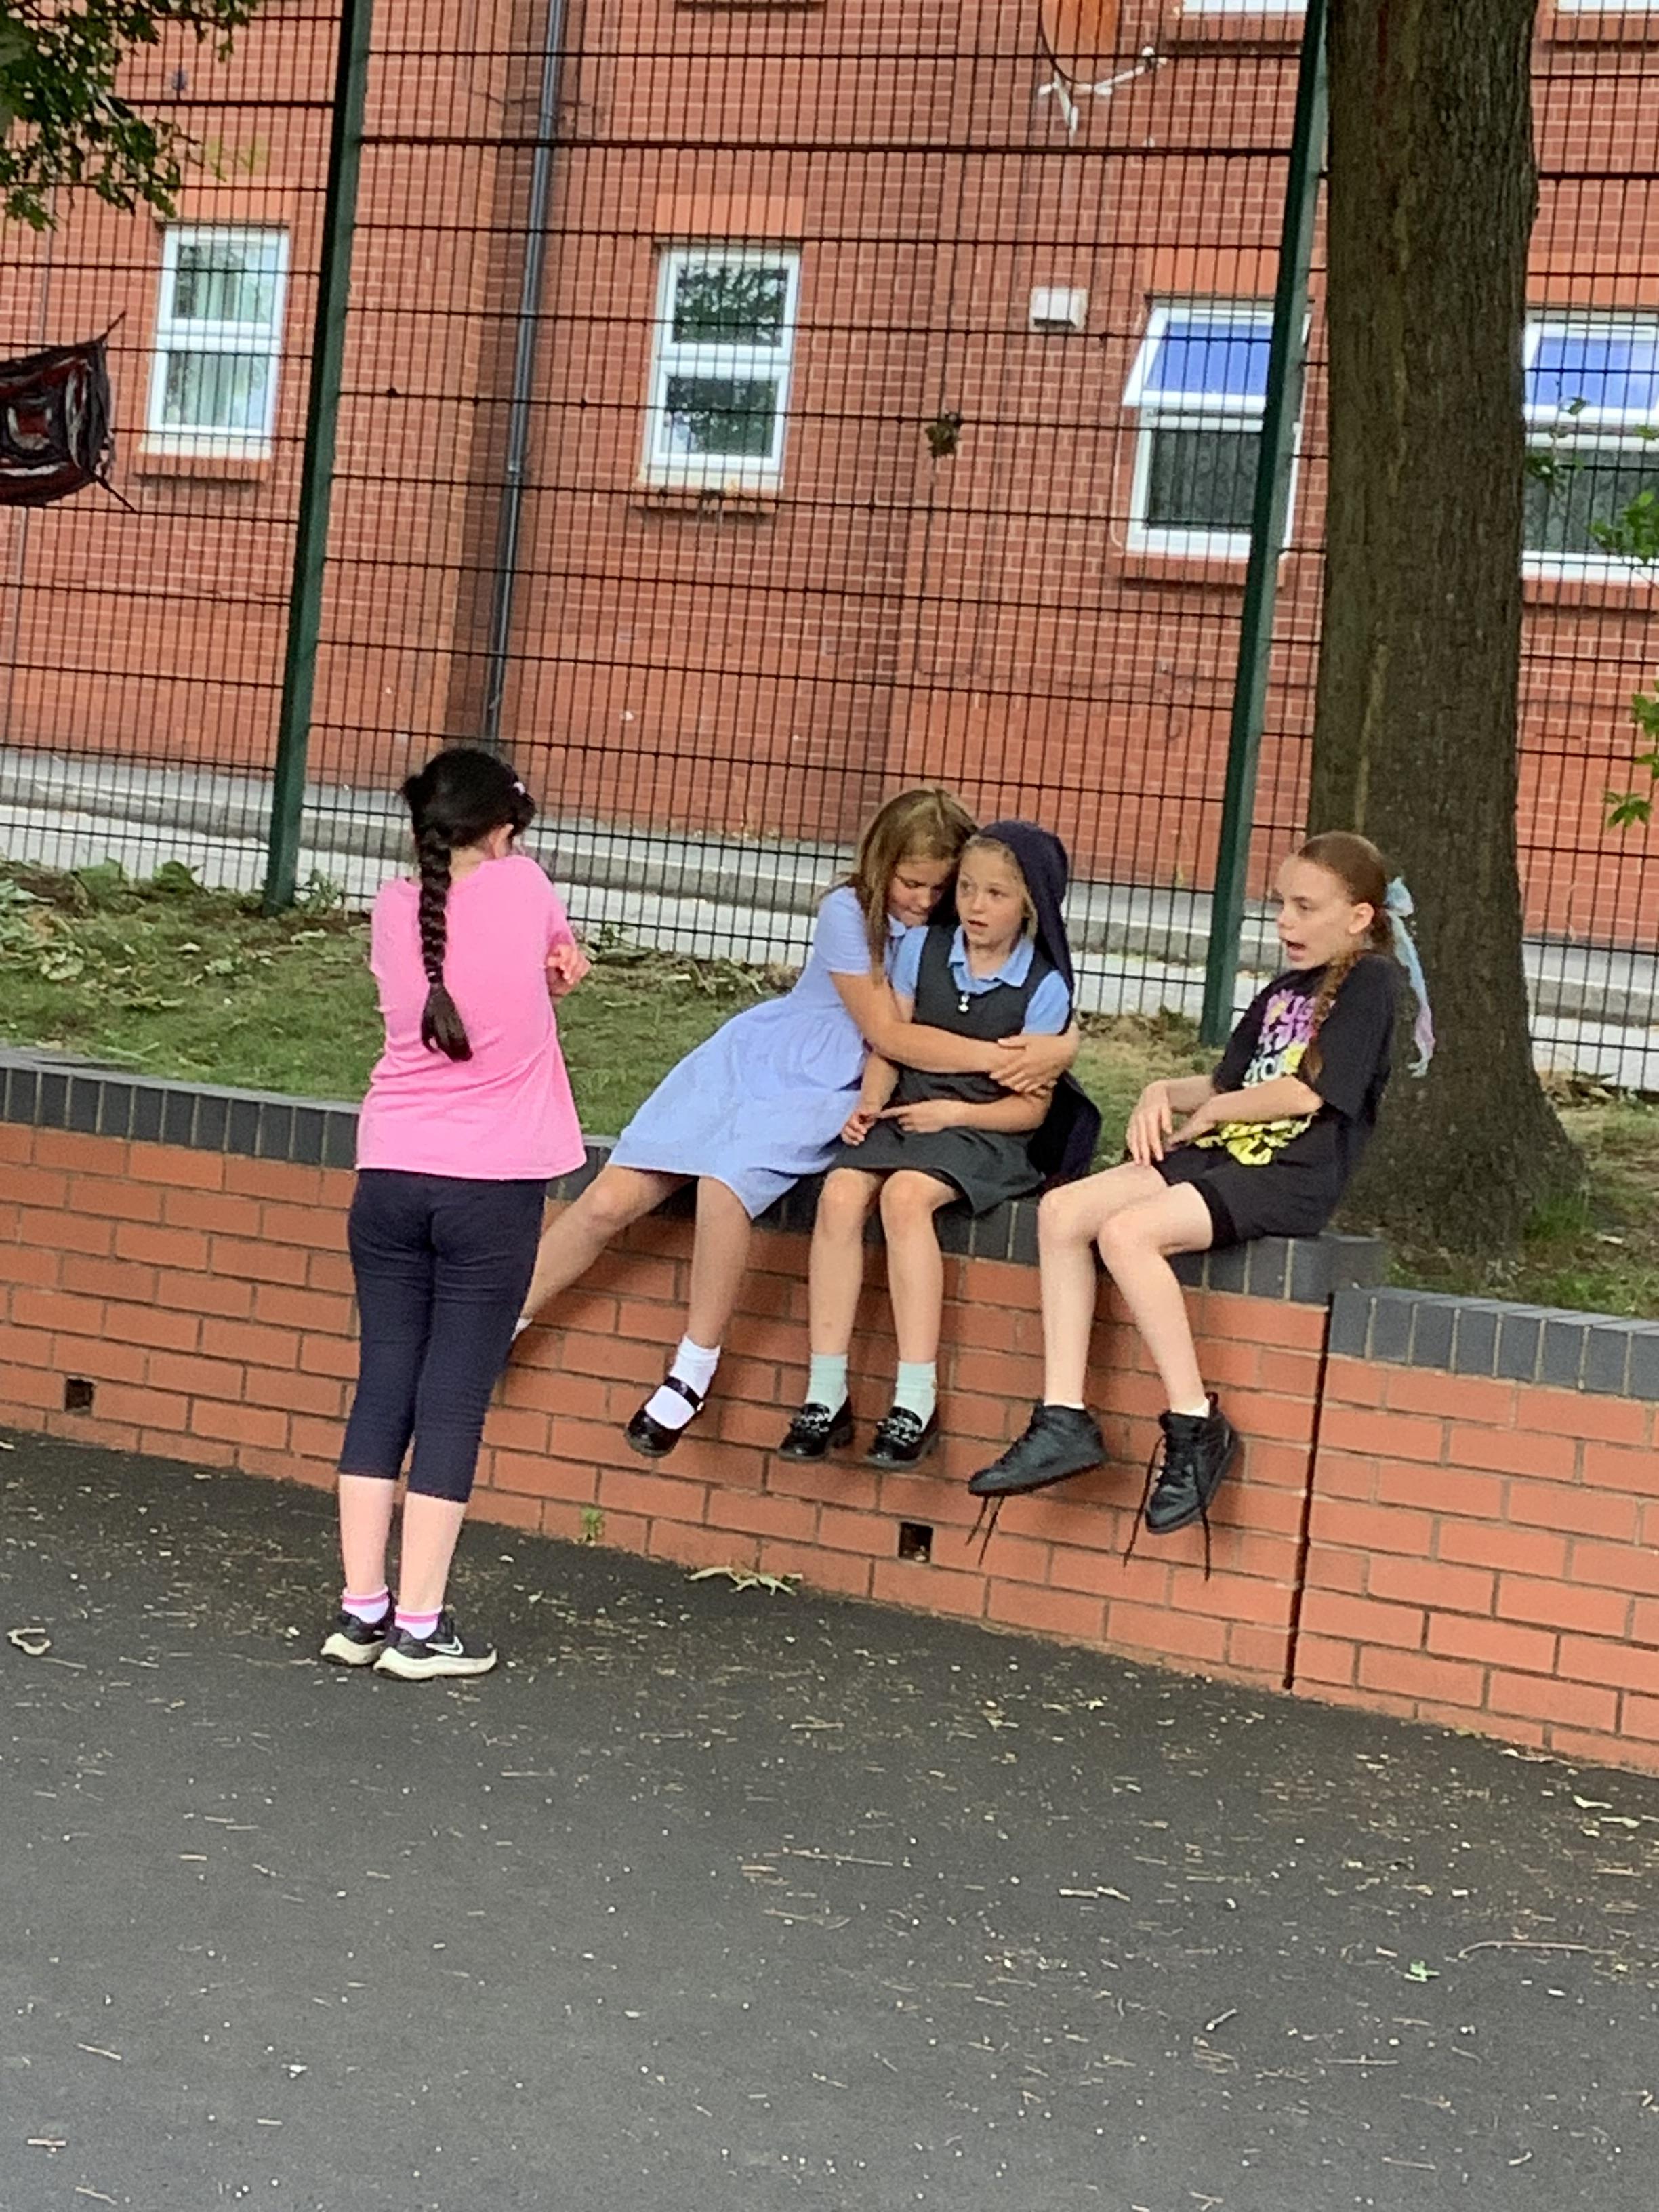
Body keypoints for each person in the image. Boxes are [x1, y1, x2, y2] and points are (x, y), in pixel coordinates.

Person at [514, 789, 1078, 1456]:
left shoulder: (956, 927)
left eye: (940, 886)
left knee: (727, 1182)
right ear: (880, 866)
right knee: (609, 1199)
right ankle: (504, 1321)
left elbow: (1020, 986)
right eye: (911, 884)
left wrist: (1062, 1043)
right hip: (775, 1058)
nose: (927, 900)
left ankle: (693, 1370)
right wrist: (1021, 1056)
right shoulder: (848, 911)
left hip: (842, 1084)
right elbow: (888, 1034)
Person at [968, 831, 1433, 1551]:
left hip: (1288, 1174)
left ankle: (1195, 1424)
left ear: (1359, 918)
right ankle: (1063, 1418)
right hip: (1222, 1156)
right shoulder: (1285, 989)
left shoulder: (1370, 983)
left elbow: (1306, 1095)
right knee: (1062, 1211)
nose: (1284, 922)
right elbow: (1223, 1083)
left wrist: (1216, 1113)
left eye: (1306, 908)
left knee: (1128, 1234)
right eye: (1281, 904)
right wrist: (1162, 1090)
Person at [320, 747, 589, 1681]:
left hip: (390, 1172)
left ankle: (361, 1612)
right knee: (453, 1398)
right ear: (504, 829)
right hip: (492, 1185)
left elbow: (466, 977)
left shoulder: (392, 908)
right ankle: (421, 1627)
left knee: (384, 1383)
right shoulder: (524, 886)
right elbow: (554, 958)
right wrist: (562, 967)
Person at [779, 821, 1101, 1469]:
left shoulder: (1043, 987)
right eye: (968, 890)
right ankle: (825, 1391)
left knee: (905, 1198)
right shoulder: (924, 948)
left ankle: (914, 1399)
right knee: (839, 1193)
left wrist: (956, 1113)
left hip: (984, 1128)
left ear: (1030, 906)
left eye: (997, 895)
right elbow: (890, 1044)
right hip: (908, 1109)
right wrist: (871, 1104)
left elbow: (1031, 1108)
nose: (977, 907)